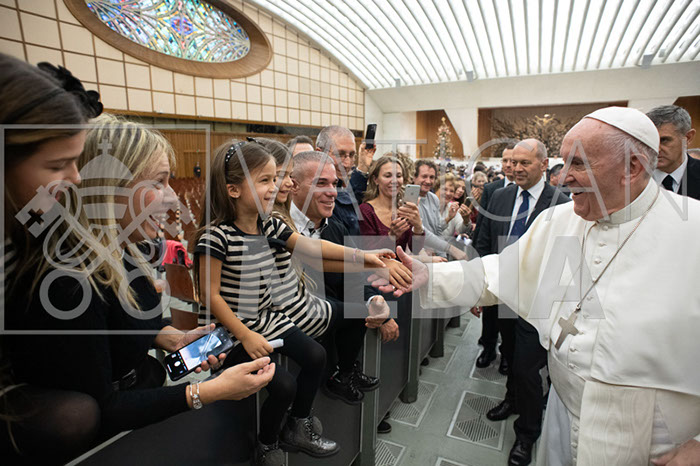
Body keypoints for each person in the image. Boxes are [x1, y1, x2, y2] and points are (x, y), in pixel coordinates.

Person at [389, 107, 700, 465]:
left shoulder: (692, 230)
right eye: (564, 163)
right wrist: (432, 276)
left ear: (632, 167)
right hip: (562, 415)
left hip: (656, 439)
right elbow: (500, 270)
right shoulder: (558, 220)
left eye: (578, 164)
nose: (563, 177)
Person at [1, 57, 274, 463]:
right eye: (158, 182)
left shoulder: (131, 248)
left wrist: (171, 338)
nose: (172, 197)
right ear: (108, 188)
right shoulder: (66, 278)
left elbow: (119, 329)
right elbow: (101, 408)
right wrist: (210, 391)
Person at [192, 140, 398, 465]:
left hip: (266, 319)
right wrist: (246, 335)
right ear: (233, 189)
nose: (276, 187)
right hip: (231, 331)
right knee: (284, 385)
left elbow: (312, 248)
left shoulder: (270, 225)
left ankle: (298, 424)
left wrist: (364, 256)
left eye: (276, 178)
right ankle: (267, 443)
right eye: (266, 180)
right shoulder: (215, 237)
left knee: (316, 355)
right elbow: (209, 295)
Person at [474, 139, 570, 465]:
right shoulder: (499, 196)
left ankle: (527, 434)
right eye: (513, 162)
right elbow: (484, 242)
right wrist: (478, 287)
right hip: (504, 295)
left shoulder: (561, 204)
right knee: (511, 355)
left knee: (528, 369)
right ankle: (511, 399)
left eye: (524, 163)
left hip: (538, 303)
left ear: (544, 165)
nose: (515, 168)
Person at [471, 143, 517, 372]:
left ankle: (507, 353)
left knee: (510, 312)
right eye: (505, 161)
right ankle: (488, 348)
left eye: (513, 161)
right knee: (490, 309)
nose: (509, 165)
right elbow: (482, 226)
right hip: (492, 258)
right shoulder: (492, 189)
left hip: (516, 263)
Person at [315, 125, 375, 236]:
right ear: (319, 153)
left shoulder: (341, 189)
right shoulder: (308, 193)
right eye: (340, 155)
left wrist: (363, 166)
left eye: (351, 155)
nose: (347, 163)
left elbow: (351, 201)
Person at [646, 105, 700, 200]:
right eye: (652, 140)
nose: (656, 149)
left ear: (688, 138)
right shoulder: (630, 179)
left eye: (664, 140)